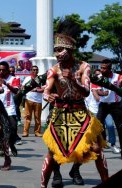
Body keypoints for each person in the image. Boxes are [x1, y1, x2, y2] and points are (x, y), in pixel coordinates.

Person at [40, 19, 108, 187]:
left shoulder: (83, 66)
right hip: (60, 114)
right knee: (52, 152)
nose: (57, 54)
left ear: (70, 49)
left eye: (60, 50)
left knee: (96, 149)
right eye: (55, 50)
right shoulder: (54, 70)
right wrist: (47, 95)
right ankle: (47, 183)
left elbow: (85, 91)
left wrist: (74, 79)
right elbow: (47, 88)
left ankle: (103, 181)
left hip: (80, 113)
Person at [96, 59, 122, 160]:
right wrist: (102, 93)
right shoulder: (99, 77)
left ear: (110, 68)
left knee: (119, 128)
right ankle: (99, 149)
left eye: (104, 68)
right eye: (101, 67)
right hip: (104, 105)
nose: (102, 70)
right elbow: (98, 91)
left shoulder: (117, 77)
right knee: (97, 126)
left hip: (116, 105)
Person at [22, 65, 44, 137]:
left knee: (37, 117)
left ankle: (37, 132)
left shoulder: (40, 79)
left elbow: (44, 89)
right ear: (31, 71)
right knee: (27, 116)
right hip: (29, 100)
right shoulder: (27, 78)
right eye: (33, 70)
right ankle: (25, 132)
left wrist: (36, 90)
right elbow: (23, 87)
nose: (35, 71)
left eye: (36, 70)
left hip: (38, 101)